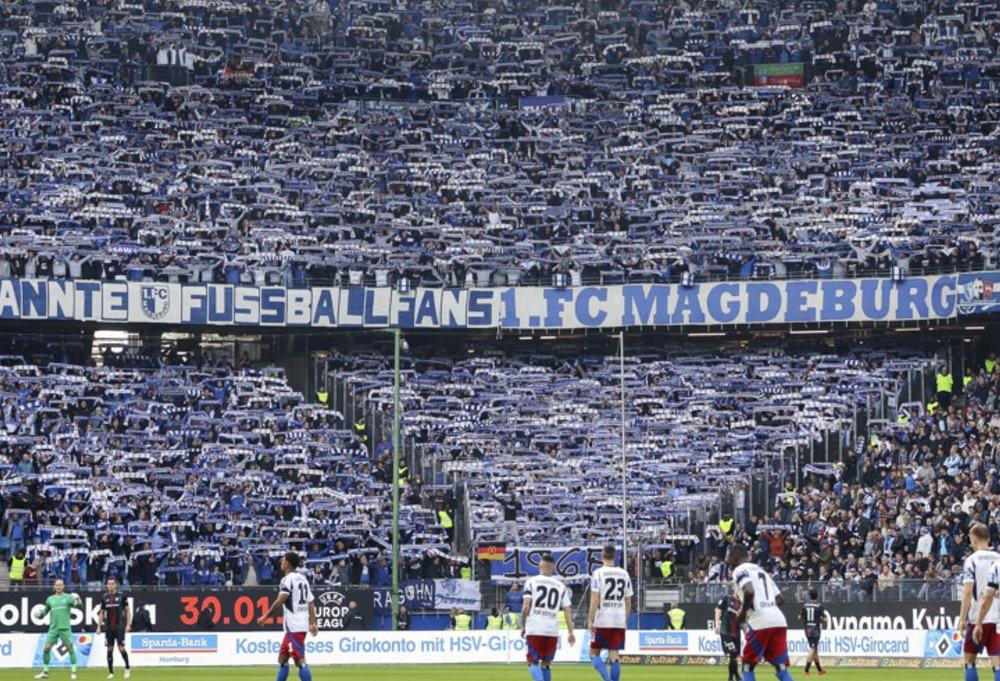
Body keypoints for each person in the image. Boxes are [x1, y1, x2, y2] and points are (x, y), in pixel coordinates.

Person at [728, 544, 794, 681]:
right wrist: (766, 605)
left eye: (729, 558)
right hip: (778, 620)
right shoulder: (761, 571)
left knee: (747, 667)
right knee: (781, 668)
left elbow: (749, 590)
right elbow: (780, 599)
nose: (728, 562)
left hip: (760, 621)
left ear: (734, 558)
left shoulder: (739, 570)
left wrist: (743, 613)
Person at [256, 551, 318, 681]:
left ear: (288, 563)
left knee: (299, 660)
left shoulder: (287, 580)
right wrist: (313, 623)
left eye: (283, 560)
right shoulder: (303, 579)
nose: (281, 563)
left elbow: (280, 600)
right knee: (283, 658)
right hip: (299, 625)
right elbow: (310, 602)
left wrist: (265, 616)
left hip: (294, 626)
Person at [522, 554, 576, 681]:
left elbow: (525, 606)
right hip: (551, 630)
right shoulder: (560, 586)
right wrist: (570, 631)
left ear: (539, 566)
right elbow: (567, 609)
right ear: (553, 568)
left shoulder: (531, 582)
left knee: (532, 662)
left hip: (535, 627)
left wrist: (523, 625)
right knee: (546, 664)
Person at [587, 544, 633, 681]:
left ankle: (608, 679)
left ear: (602, 555)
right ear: (615, 556)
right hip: (618, 619)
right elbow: (628, 601)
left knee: (594, 654)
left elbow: (595, 599)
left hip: (602, 619)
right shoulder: (624, 573)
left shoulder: (598, 573)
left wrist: (590, 620)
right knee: (614, 655)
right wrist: (624, 620)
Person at [962, 523, 1000, 681]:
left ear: (973, 539)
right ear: (989, 538)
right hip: (997, 619)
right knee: (998, 663)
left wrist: (962, 618)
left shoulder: (971, 560)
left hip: (977, 617)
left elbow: (968, 591)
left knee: (969, 662)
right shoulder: (998, 559)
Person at [34, 579, 84, 679]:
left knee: (70, 650)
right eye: (57, 585)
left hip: (65, 629)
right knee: (46, 649)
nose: (59, 587)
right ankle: (45, 672)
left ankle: (73, 673)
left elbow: (80, 607)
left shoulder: (68, 598)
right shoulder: (50, 599)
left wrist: (78, 599)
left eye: (60, 585)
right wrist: (39, 615)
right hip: (53, 629)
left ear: (63, 586)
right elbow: (44, 612)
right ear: (54, 587)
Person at [97, 577, 132, 679]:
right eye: (109, 584)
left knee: (121, 648)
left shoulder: (122, 596)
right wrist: (99, 626)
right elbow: (102, 612)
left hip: (119, 626)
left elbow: (127, 610)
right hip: (108, 627)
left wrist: (128, 624)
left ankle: (127, 667)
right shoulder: (104, 597)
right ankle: (111, 672)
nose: (110, 585)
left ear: (116, 585)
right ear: (106, 585)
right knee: (109, 648)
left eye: (112, 584)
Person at [715, 586, 743, 681]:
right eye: (738, 588)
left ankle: (733, 677)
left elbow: (744, 621)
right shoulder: (727, 598)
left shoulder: (742, 604)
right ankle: (734, 677)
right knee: (733, 653)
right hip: (726, 631)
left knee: (734, 656)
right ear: (734, 589)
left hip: (737, 632)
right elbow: (718, 611)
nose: (739, 590)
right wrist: (717, 625)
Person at [798, 588, 827, 676]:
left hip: (807, 629)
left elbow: (799, 618)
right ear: (817, 596)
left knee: (815, 649)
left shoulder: (805, 605)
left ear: (809, 596)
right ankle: (806, 670)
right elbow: (825, 619)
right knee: (812, 649)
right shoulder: (819, 606)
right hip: (815, 629)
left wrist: (805, 617)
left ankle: (819, 670)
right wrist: (820, 620)